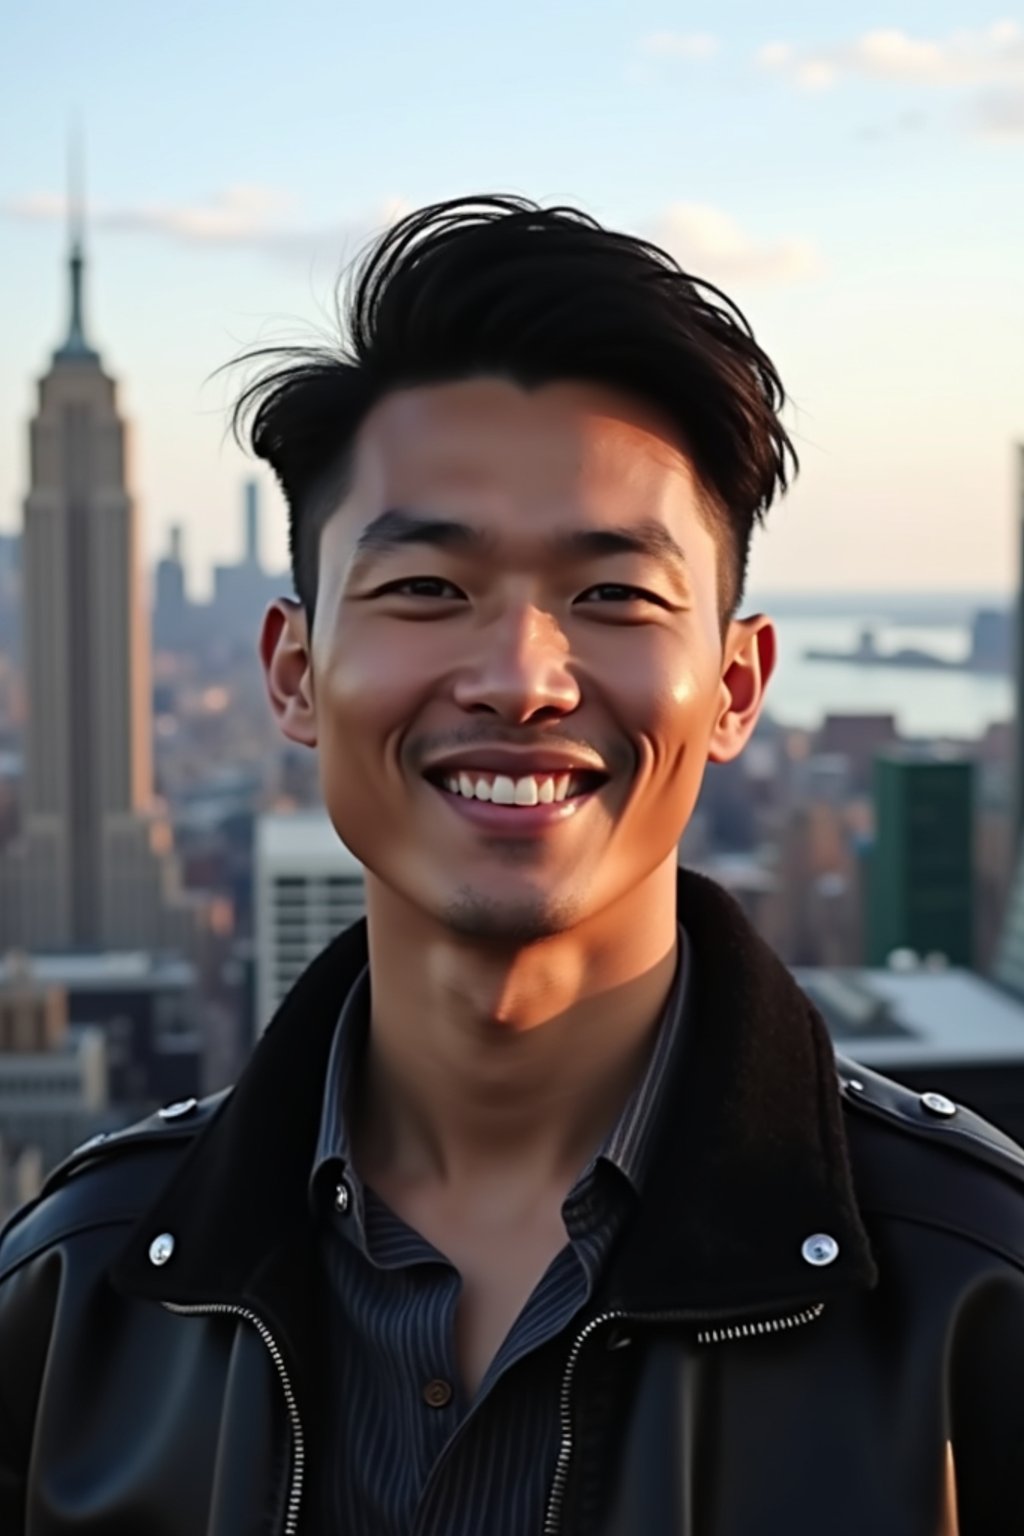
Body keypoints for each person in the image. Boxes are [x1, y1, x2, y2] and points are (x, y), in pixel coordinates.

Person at [1, 195, 1022, 1536]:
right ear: (295, 673)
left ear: (735, 684)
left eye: (614, 596)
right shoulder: (73, 1300)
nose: (521, 680)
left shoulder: (975, 1300)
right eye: (427, 589)